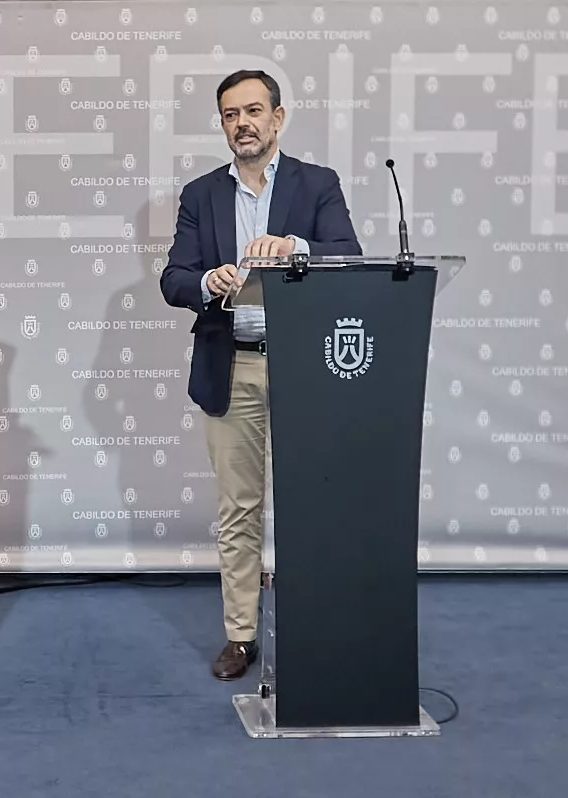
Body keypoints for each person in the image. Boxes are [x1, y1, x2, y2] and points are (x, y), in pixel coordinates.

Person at [160, 70, 363, 680]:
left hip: (306, 368)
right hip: (234, 364)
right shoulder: (201, 195)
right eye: (230, 114)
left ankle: (317, 624)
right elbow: (173, 278)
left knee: (313, 503)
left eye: (253, 111)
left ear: (278, 117)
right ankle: (242, 635)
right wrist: (206, 281)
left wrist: (295, 247)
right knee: (239, 508)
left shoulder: (317, 183)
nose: (242, 123)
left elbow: (349, 257)